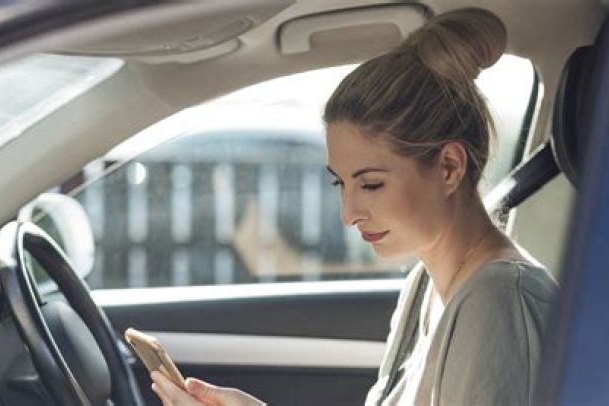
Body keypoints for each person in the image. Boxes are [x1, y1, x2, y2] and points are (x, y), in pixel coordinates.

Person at [150, 7, 558, 406]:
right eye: (340, 183)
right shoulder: (426, 283)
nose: (348, 215)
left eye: (371, 184)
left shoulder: (500, 303)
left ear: (449, 167)